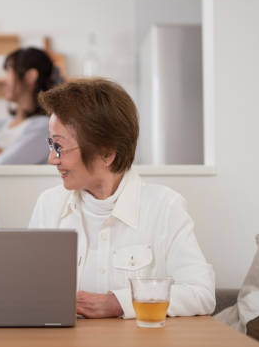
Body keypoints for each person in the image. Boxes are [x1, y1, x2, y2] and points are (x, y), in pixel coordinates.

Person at [29, 79, 215, 319]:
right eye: (51, 144)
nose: (52, 159)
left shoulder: (165, 207)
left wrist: (120, 303)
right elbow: (30, 292)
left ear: (106, 153)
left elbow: (201, 293)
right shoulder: (49, 205)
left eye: (59, 147)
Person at [0, 47, 58, 164]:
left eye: (8, 71)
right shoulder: (1, 123)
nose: (4, 80)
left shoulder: (44, 127)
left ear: (30, 76)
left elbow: (3, 167)